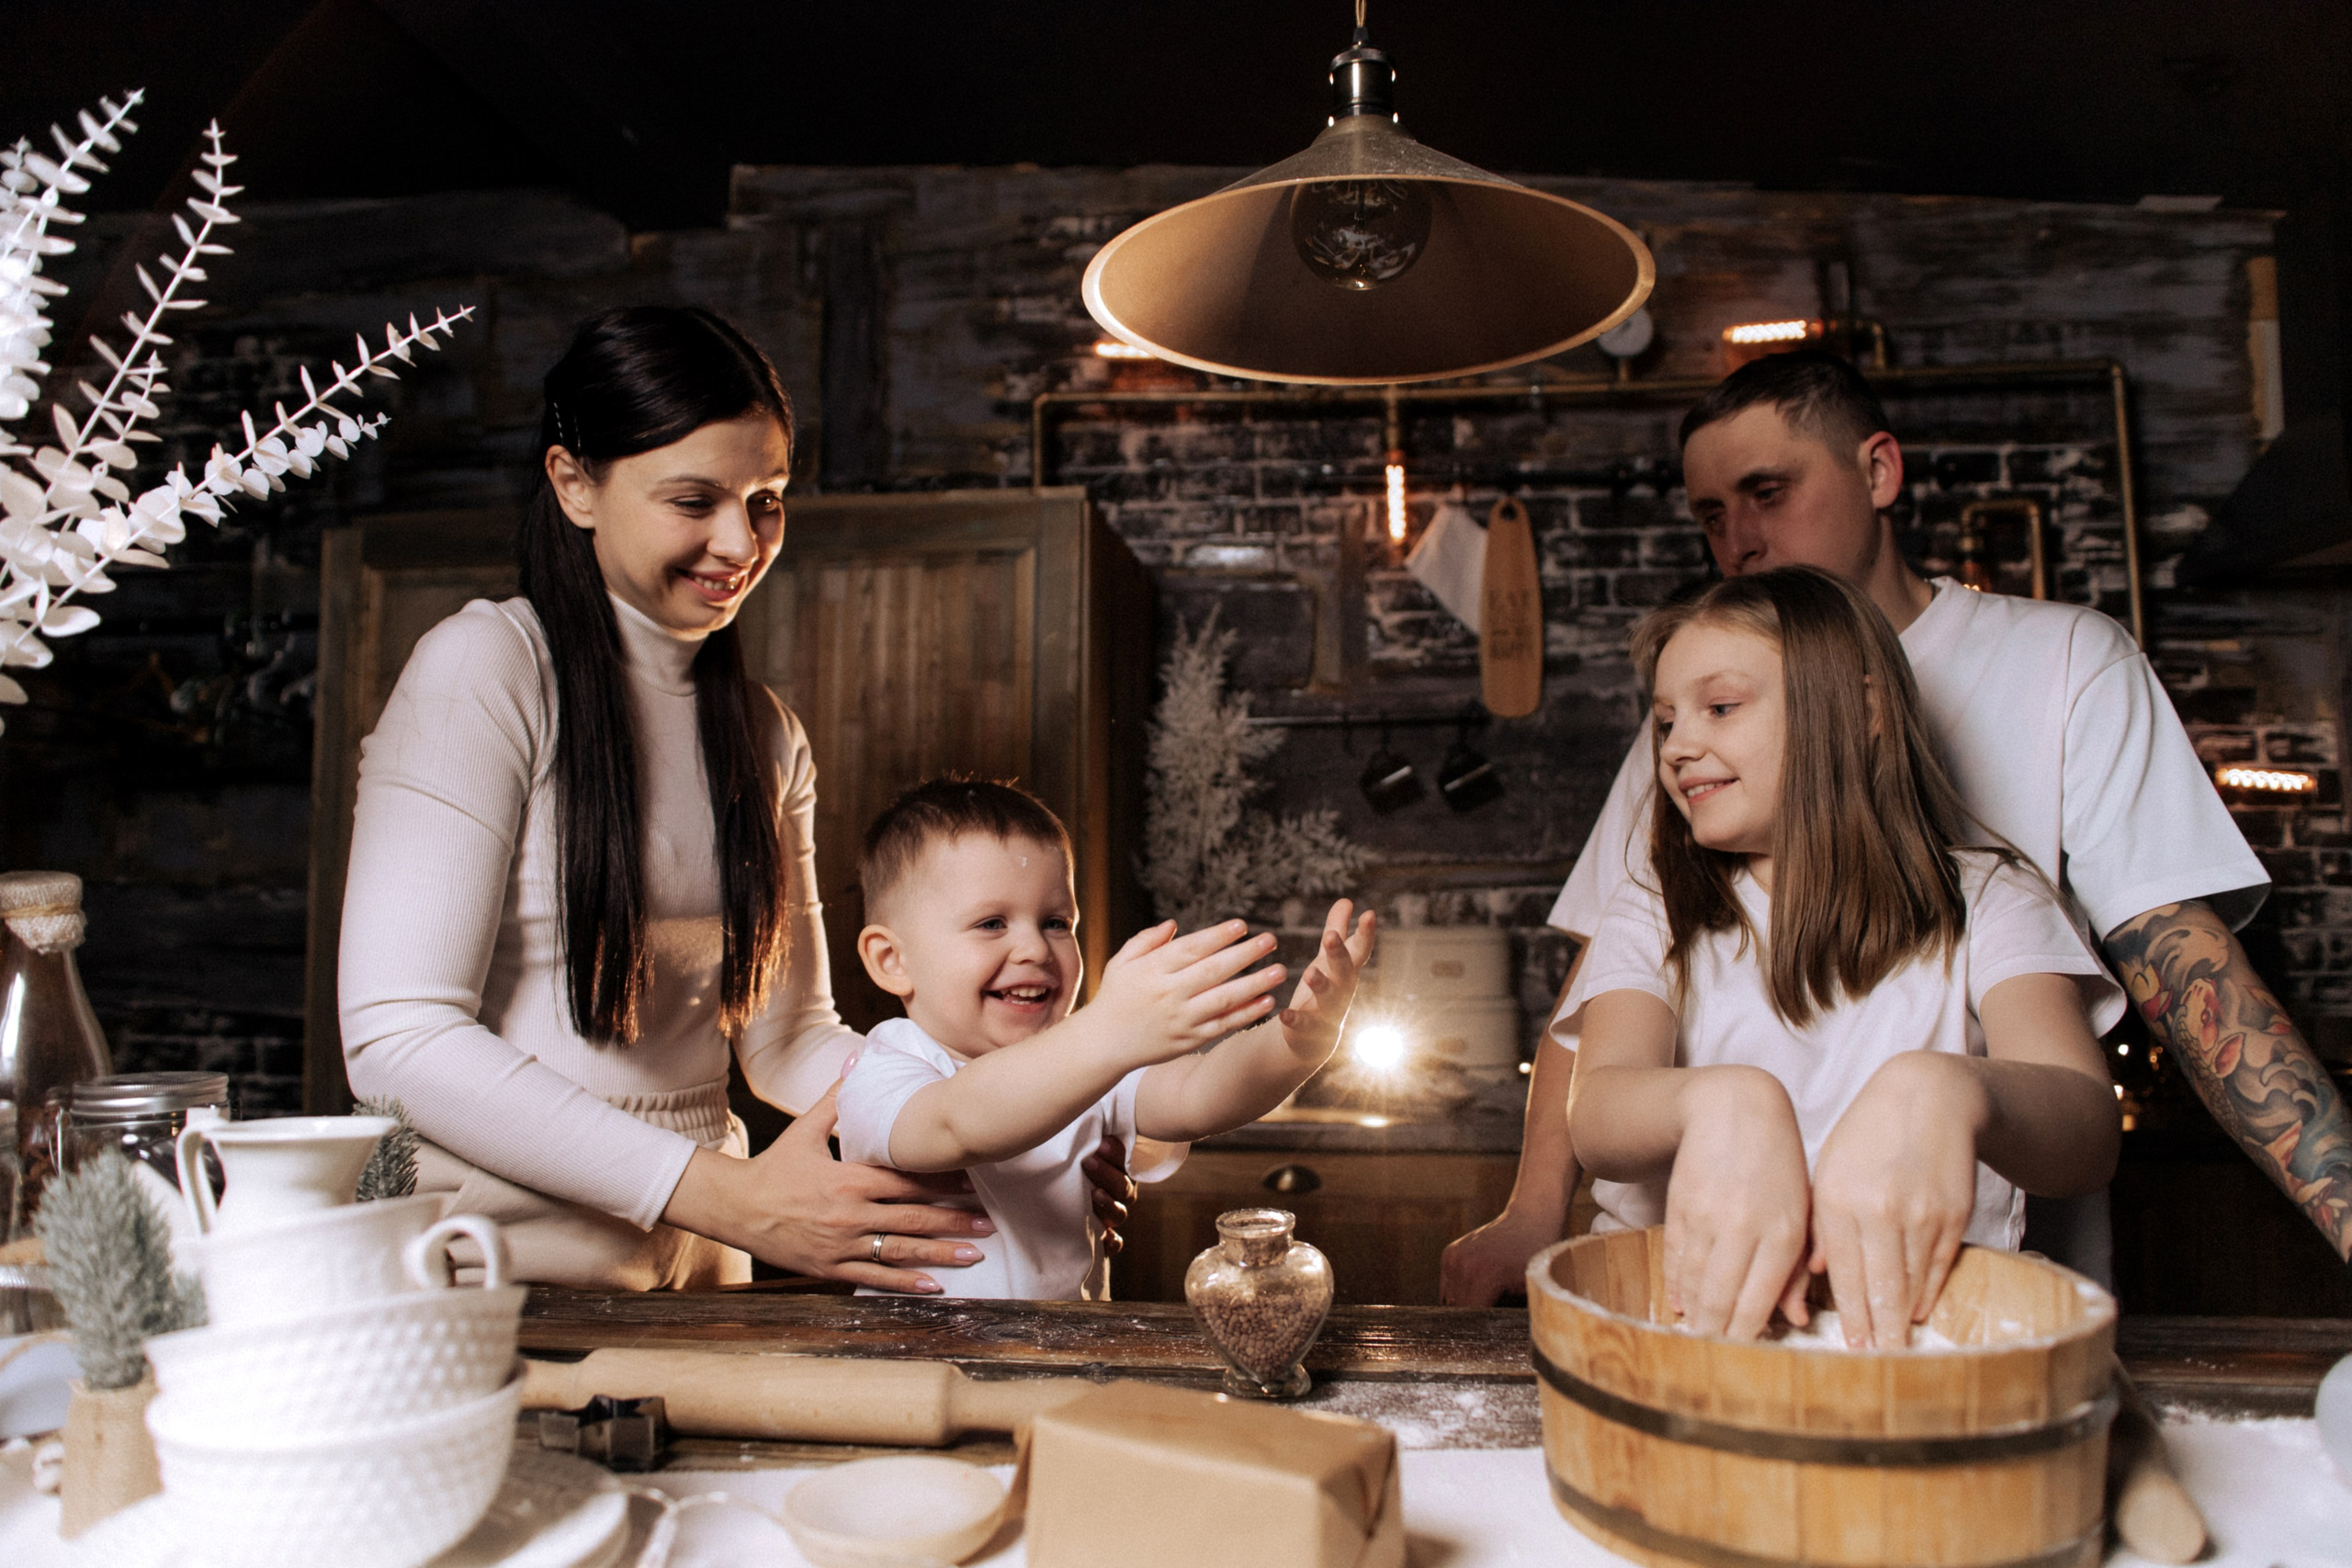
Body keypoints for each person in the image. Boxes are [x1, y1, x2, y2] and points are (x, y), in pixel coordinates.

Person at [1443, 348, 2352, 1305]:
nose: (1739, 539)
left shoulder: (2062, 667)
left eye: (1767, 491)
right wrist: (1534, 1211)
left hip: (1961, 1289)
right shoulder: (1698, 733)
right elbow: (1598, 1012)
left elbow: (2184, 966)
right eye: (1711, 515)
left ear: (1878, 471)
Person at [337, 307, 1156, 1291]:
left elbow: (790, 1043)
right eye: (694, 500)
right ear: (574, 483)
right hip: (492, 1249)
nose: (740, 541)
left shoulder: (765, 735)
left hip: (706, 1250)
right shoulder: (486, 667)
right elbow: (399, 1041)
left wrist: (1023, 1135)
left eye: (766, 500)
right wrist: (728, 1195)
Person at [1568, 567, 2122, 1345]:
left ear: (1859, 710)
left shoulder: (1991, 899)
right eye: (1666, 722)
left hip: (1922, 1340)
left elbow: (2089, 1128)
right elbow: (1594, 1114)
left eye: (1720, 707)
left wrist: (1949, 1088)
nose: (1679, 746)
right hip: (1679, 1329)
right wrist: (1717, 1102)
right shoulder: (1654, 905)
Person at [835, 778, 1376, 1299]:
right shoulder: (884, 1069)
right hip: (915, 1369)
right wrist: (1105, 1032)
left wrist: (1294, 1047)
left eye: (1055, 922)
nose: (1036, 949)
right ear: (893, 960)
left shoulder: (1089, 1057)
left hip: (1065, 1364)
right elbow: (959, 1124)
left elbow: (1199, 1093)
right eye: (992, 924)